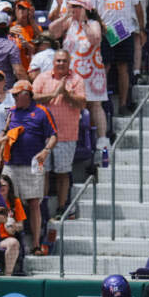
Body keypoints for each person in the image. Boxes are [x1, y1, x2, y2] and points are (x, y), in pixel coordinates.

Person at [2, 80, 57, 255]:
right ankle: (12, 240)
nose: (14, 97)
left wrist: (46, 151)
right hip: (11, 163)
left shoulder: (42, 111)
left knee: (34, 203)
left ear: (26, 94)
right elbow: (4, 134)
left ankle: (35, 243)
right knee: (9, 201)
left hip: (33, 164)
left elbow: (54, 135)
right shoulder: (11, 112)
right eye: (13, 95)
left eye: (16, 94)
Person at [33, 49, 85, 217]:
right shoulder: (43, 77)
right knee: (43, 173)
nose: (61, 63)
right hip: (44, 136)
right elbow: (33, 97)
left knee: (63, 173)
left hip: (66, 135)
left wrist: (66, 94)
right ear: (53, 62)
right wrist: (53, 94)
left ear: (69, 63)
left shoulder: (76, 79)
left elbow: (82, 103)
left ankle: (62, 207)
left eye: (64, 61)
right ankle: (42, 207)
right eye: (58, 61)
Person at [50, 0, 107, 148]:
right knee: (72, 104)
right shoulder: (69, 23)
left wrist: (83, 22)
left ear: (85, 9)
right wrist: (65, 17)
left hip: (92, 72)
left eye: (76, 7)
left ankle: (102, 140)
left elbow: (95, 39)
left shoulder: (94, 23)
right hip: (73, 73)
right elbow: (52, 32)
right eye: (72, 6)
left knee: (95, 104)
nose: (73, 9)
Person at [93, 0, 144, 116]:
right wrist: (101, 25)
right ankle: (99, 103)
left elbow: (138, 6)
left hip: (124, 29)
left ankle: (122, 105)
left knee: (123, 67)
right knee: (104, 67)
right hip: (105, 31)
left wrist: (142, 29)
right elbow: (93, 7)